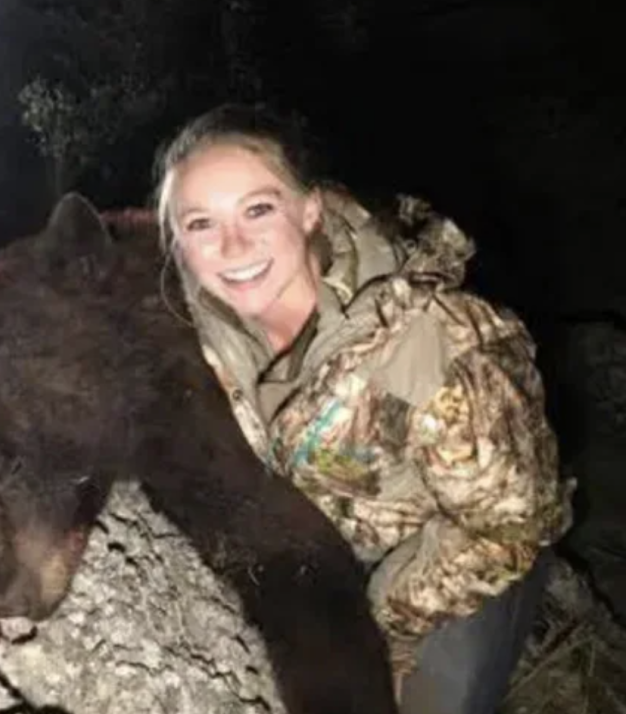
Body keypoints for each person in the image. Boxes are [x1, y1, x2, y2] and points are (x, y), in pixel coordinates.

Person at [151, 103, 576, 714]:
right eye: (200, 224)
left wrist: (381, 626)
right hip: (329, 544)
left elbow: (508, 526)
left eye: (259, 209)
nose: (233, 245)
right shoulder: (190, 329)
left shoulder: (437, 346)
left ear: (310, 211)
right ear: (178, 243)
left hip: (456, 556)